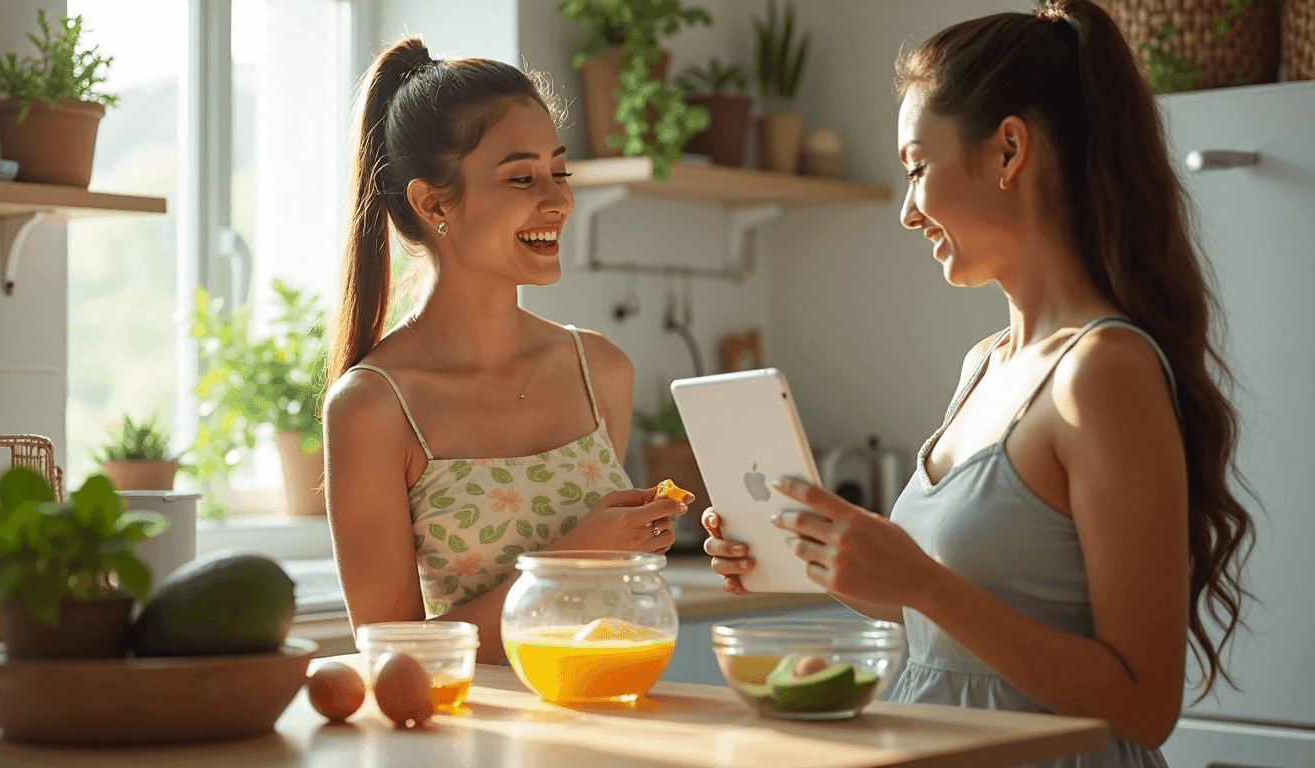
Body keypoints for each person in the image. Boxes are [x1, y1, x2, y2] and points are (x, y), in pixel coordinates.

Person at [703, 1, 1255, 763]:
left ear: (1008, 152)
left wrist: (925, 583)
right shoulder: (985, 364)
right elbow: (951, 625)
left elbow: (1144, 701)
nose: (906, 211)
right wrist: (811, 556)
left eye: (917, 167)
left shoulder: (1103, 373)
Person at [321, 36, 692, 664]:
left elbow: (610, 603)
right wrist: (574, 557)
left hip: (619, 720)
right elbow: (397, 659)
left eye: (559, 171)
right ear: (432, 201)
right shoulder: (372, 407)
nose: (559, 200)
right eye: (522, 177)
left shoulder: (599, 370)